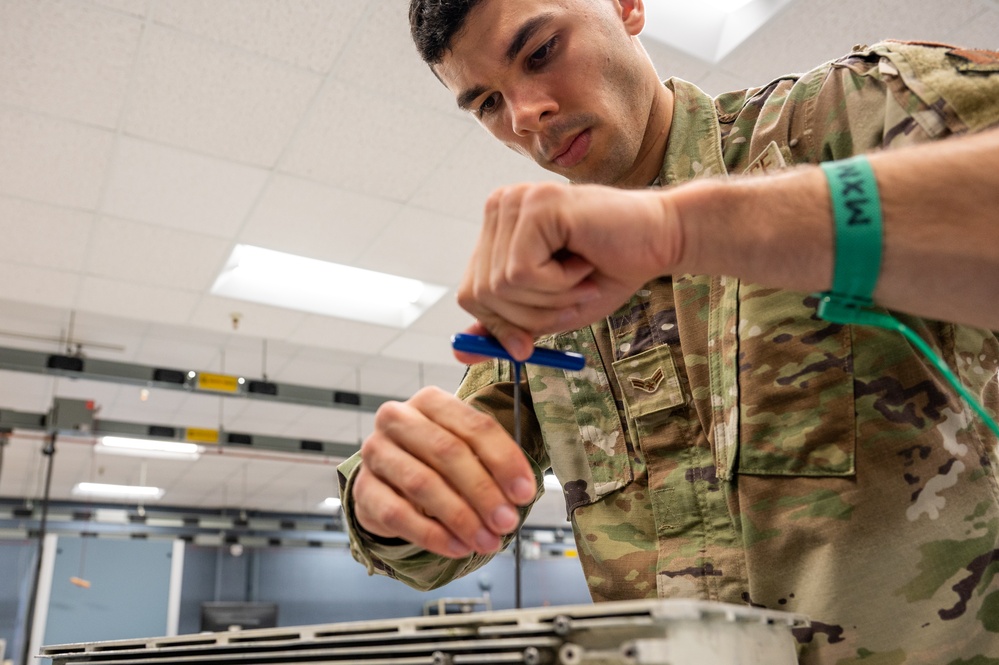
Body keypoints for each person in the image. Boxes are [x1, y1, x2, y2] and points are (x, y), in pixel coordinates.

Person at [336, 1, 999, 662]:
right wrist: (388, 499)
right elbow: (433, 535)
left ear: (627, 7)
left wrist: (685, 230)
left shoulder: (842, 117)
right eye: (485, 103)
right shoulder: (546, 298)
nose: (522, 116)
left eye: (539, 52)